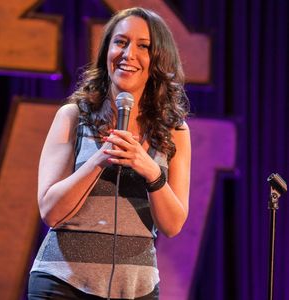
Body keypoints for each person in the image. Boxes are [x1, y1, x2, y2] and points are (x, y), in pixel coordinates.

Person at [28, 7, 191, 300]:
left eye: (144, 46)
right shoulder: (74, 116)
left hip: (136, 288)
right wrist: (98, 159)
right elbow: (50, 211)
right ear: (107, 50)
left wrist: (151, 172)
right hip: (63, 283)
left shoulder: (174, 131)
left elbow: (173, 224)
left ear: (159, 59)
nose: (128, 54)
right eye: (120, 42)